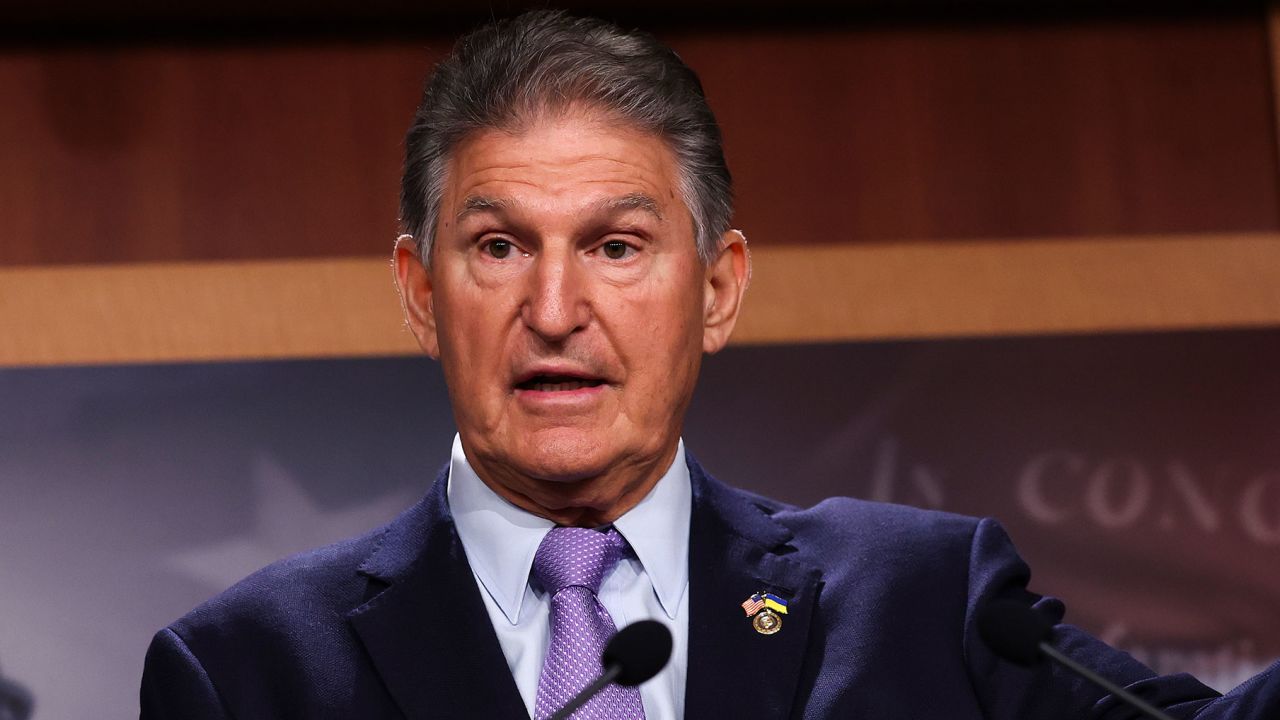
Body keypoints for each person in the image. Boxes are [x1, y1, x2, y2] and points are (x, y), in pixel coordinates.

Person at [140, 10, 1279, 719]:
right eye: (497, 247)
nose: (553, 308)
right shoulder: (248, 674)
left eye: (616, 246)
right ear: (420, 292)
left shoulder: (924, 605)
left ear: (719, 288)